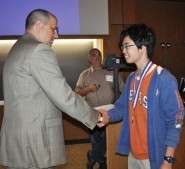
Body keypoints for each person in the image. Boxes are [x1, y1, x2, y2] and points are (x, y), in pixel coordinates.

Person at [0, 9, 102, 169]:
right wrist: (97, 117)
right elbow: (63, 95)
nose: (56, 35)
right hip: (34, 142)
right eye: (53, 28)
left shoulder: (17, 48)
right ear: (39, 25)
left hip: (18, 138)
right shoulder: (38, 50)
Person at [97, 24, 184, 169]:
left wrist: (168, 159)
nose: (122, 50)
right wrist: (107, 116)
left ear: (143, 46)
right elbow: (122, 107)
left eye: (126, 46)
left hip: (154, 156)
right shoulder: (131, 78)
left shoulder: (163, 79)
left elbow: (176, 120)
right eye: (122, 46)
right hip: (134, 154)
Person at [75, 48, 124, 169]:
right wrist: (88, 89)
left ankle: (93, 155)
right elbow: (77, 91)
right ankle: (101, 161)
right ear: (89, 59)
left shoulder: (111, 71)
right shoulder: (84, 74)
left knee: (106, 138)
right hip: (92, 112)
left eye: (99, 55)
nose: (97, 57)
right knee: (96, 139)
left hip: (109, 112)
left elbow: (123, 88)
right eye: (93, 55)